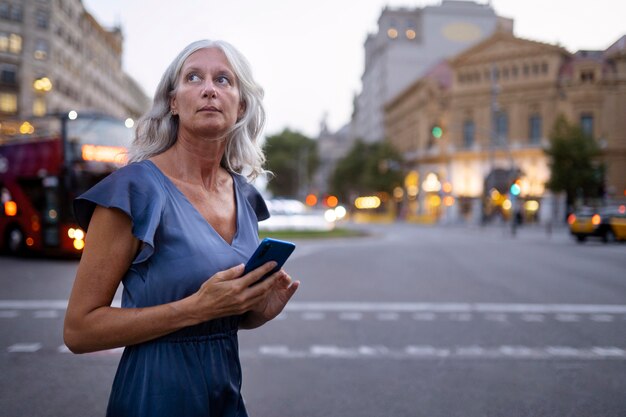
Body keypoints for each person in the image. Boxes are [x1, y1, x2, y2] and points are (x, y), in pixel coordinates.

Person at [63, 39, 299, 417]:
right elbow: (78, 330)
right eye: (194, 77)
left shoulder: (245, 196)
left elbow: (220, 313)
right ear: (173, 101)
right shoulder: (134, 190)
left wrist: (254, 312)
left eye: (224, 80)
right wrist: (193, 309)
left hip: (226, 397)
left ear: (240, 105)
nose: (209, 88)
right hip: (153, 397)